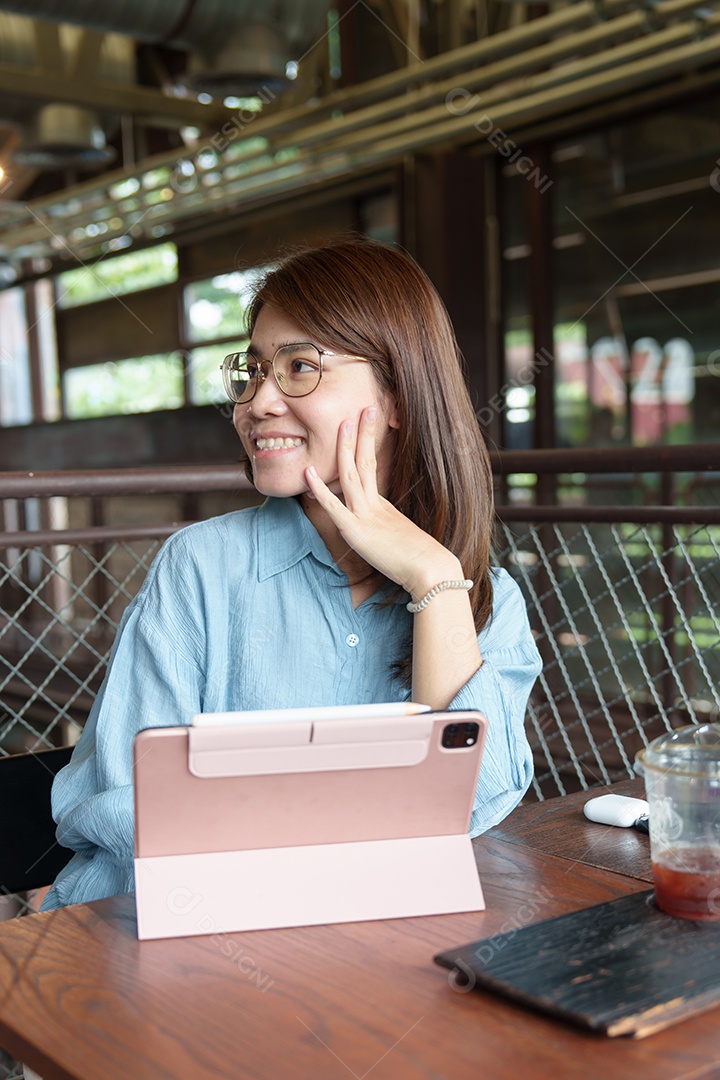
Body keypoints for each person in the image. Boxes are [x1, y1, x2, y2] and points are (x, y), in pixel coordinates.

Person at [42, 236, 542, 910]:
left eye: (300, 366)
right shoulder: (202, 569)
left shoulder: (481, 597)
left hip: (350, 950)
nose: (256, 403)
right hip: (139, 936)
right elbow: (131, 806)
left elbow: (471, 807)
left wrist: (432, 578)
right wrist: (362, 836)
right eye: (252, 372)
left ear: (398, 393)